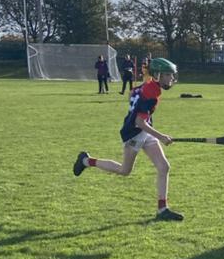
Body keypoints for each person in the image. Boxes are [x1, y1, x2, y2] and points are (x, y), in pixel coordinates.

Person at [73, 57, 184, 221]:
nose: (171, 78)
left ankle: (162, 210)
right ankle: (86, 161)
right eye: (168, 75)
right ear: (158, 75)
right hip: (134, 133)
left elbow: (132, 93)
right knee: (124, 170)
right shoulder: (152, 93)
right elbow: (139, 122)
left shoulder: (149, 85)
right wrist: (161, 136)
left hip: (144, 130)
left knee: (164, 167)